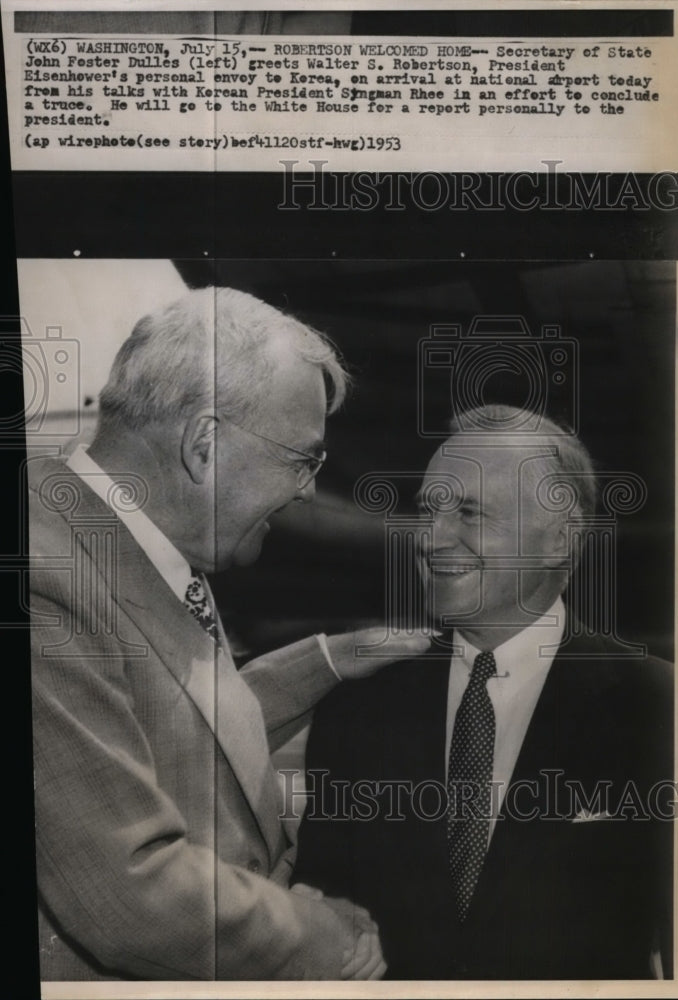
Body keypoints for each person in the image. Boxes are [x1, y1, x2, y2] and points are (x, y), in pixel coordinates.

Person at [29, 286, 429, 981]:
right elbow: (132, 892)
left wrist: (327, 661)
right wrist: (322, 931)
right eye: (302, 459)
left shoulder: (121, 537)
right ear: (205, 445)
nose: (307, 491)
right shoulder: (44, 575)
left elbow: (158, 722)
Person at [294, 404, 673, 980]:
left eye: (470, 513)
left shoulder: (661, 708)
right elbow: (324, 891)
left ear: (560, 541)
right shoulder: (360, 704)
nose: (432, 538)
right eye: (429, 510)